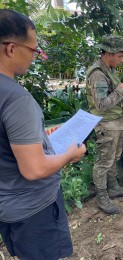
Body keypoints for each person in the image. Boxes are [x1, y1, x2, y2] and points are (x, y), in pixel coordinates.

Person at [0, 9, 86, 259]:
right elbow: (34, 169)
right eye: (34, 50)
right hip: (33, 208)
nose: (36, 57)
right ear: (10, 48)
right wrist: (70, 153)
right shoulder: (16, 99)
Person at [86, 34, 123, 215]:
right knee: (104, 161)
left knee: (115, 156)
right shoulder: (98, 73)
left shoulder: (109, 70)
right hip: (106, 125)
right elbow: (102, 105)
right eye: (120, 56)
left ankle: (113, 186)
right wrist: (120, 91)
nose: (122, 60)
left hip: (117, 122)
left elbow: (113, 100)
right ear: (108, 54)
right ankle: (101, 196)